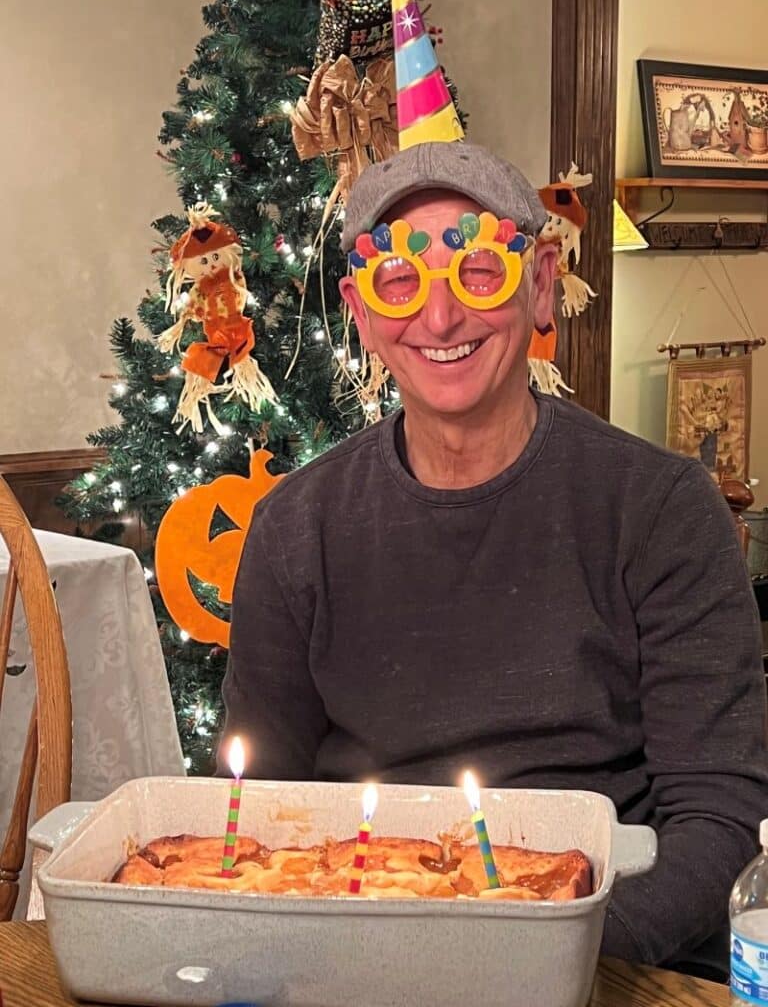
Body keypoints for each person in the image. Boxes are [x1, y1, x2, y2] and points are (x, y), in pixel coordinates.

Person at [219, 138, 768, 970]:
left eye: (479, 272)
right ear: (361, 314)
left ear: (542, 283)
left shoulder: (659, 509)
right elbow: (258, 807)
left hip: (610, 944)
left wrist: (557, 959)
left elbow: (722, 810)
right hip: (361, 948)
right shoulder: (296, 528)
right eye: (398, 282)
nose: (440, 320)